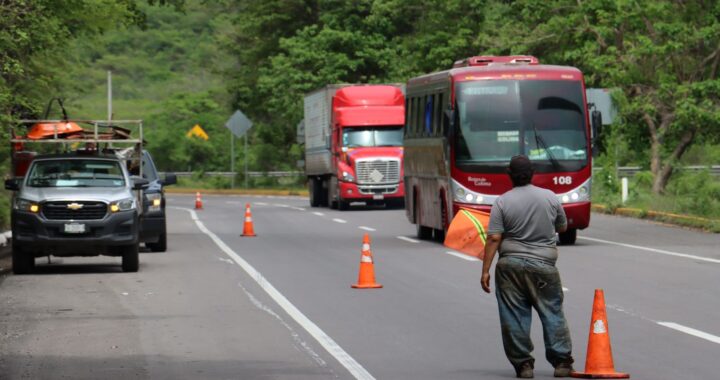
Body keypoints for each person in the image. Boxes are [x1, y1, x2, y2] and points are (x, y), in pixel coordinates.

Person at [481, 155, 574, 379]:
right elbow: (562, 227)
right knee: (552, 311)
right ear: (532, 173)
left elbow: (494, 238)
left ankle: (523, 365)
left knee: (514, 315)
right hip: (543, 266)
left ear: (509, 174)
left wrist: (485, 270)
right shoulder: (550, 197)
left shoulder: (502, 201)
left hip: (509, 266)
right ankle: (561, 362)